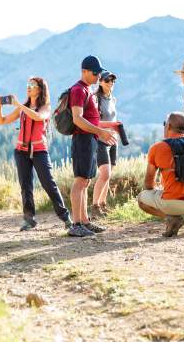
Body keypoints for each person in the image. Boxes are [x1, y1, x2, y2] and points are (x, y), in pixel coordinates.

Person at [0, 77, 71, 231]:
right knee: (26, 186)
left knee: (49, 184)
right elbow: (2, 121)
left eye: (32, 85)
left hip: (39, 151)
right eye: (28, 85)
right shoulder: (23, 107)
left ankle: (66, 218)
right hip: (21, 152)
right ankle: (29, 220)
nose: (28, 87)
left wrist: (18, 105)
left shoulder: (45, 107)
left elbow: (37, 116)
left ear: (40, 89)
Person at [67, 55, 118, 237]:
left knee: (86, 181)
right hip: (82, 140)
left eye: (99, 73)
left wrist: (103, 131)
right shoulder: (78, 90)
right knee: (80, 181)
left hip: (90, 140)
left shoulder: (88, 90)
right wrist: (100, 131)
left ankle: (85, 221)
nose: (98, 76)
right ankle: (76, 223)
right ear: (84, 72)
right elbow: (77, 119)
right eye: (95, 73)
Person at [137, 112, 184, 237]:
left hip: (171, 203)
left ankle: (171, 218)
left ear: (168, 126)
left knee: (141, 199)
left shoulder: (157, 148)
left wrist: (162, 189)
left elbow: (148, 185)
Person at [91, 71, 118, 219]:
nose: (111, 83)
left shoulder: (112, 99)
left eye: (113, 81)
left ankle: (102, 204)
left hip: (113, 140)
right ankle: (94, 207)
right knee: (105, 174)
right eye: (107, 80)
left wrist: (116, 129)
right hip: (100, 140)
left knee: (108, 175)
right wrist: (112, 125)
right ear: (100, 82)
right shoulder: (96, 100)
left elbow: (113, 118)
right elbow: (94, 123)